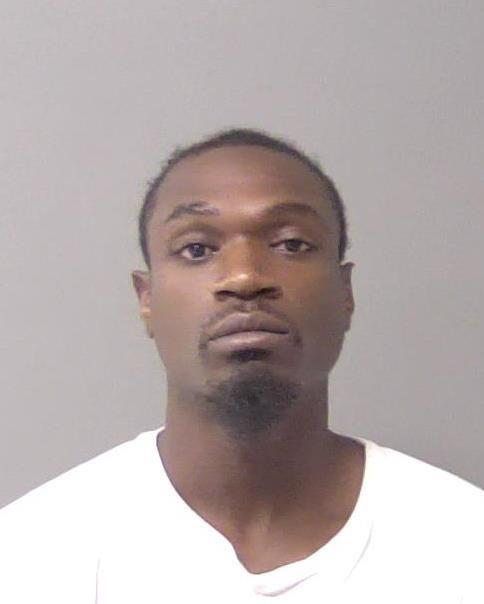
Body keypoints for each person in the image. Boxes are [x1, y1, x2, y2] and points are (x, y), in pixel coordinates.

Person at [0, 128, 482, 604]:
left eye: (291, 244)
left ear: (345, 292)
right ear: (147, 299)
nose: (245, 276)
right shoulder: (31, 557)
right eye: (197, 249)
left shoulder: (464, 545)